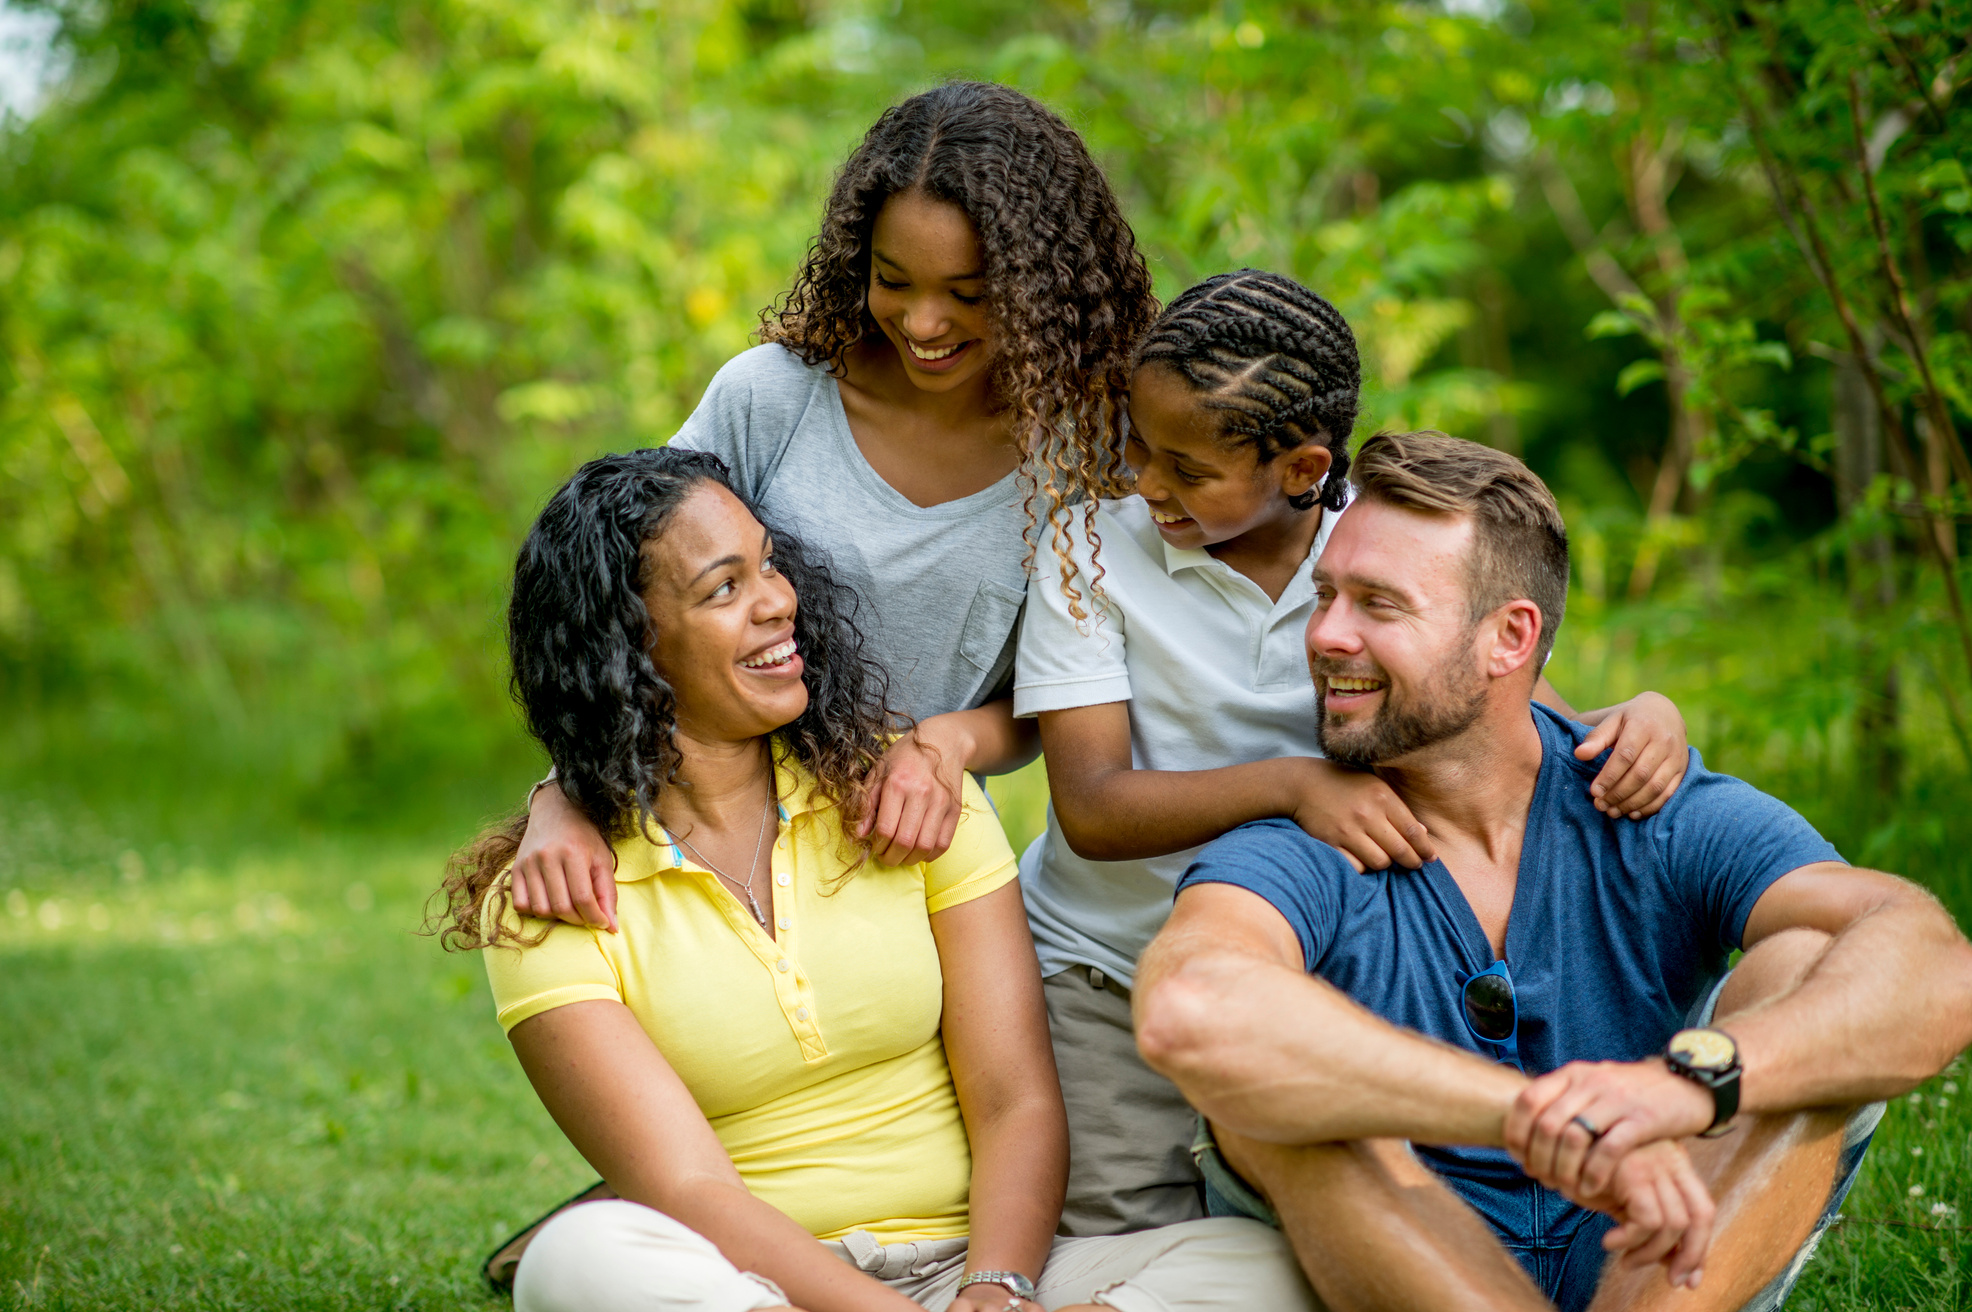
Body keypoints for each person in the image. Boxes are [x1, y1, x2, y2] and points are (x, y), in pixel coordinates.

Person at [436, 448, 1316, 1312]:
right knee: (579, 1260)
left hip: (973, 1272)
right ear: (630, 645)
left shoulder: (910, 799)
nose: (779, 603)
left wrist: (999, 1285)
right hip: (754, 1284)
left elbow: (1015, 1099)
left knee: (1262, 1261)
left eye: (768, 566)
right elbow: (688, 1188)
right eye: (724, 589)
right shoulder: (552, 897)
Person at [1130, 430, 1972, 1312]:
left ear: (1509, 637)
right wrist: (1536, 1116)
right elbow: (1194, 1009)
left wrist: (1691, 1083)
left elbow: (1932, 962)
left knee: (1808, 968)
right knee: (1281, 1090)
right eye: (1327, 596)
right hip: (1410, 1261)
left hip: (1657, 1259)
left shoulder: (1642, 800)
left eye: (1379, 604)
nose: (1327, 635)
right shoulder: (1302, 844)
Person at [1014, 273, 1692, 1236]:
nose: (1144, 481)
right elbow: (1091, 806)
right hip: (1110, 973)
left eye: (1185, 467)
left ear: (1300, 469)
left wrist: (1644, 715)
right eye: (1134, 444)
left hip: (1312, 974)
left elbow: (1499, 701)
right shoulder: (1088, 549)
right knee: (1136, 1240)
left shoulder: (1369, 549)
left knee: (1303, 1242)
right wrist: (1295, 786)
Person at [509, 80, 1159, 932]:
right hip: (709, 844)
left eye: (969, 295)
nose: (923, 323)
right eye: (894, 281)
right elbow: (613, 593)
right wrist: (564, 792)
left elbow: (1056, 701)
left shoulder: (1090, 451)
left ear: (1049, 285)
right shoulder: (772, 400)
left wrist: (948, 744)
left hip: (908, 852)